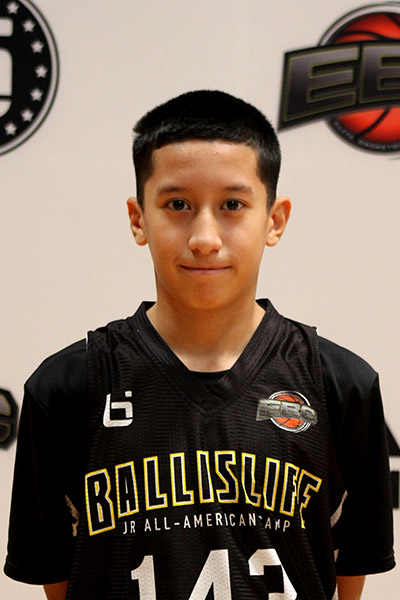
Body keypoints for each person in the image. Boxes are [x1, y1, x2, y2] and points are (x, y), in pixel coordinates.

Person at [4, 90, 395, 600]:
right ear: (138, 218)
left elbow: (348, 573)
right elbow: (57, 576)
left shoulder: (340, 385)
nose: (204, 237)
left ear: (274, 220)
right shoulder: (67, 388)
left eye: (232, 205)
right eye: (178, 205)